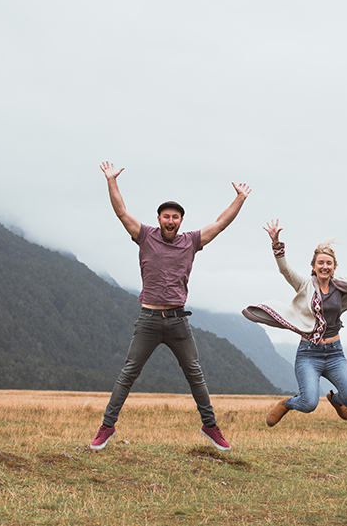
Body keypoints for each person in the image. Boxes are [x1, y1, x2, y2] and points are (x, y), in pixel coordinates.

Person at [90, 161, 250, 452]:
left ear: (180, 221)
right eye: (166, 216)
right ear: (159, 218)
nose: (171, 221)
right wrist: (111, 181)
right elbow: (121, 212)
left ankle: (210, 426)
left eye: (176, 217)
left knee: (194, 373)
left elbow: (220, 223)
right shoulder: (145, 236)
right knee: (128, 373)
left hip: (178, 322)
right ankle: (107, 427)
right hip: (149, 319)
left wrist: (239, 198)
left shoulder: (191, 242)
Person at [243, 219, 347, 427]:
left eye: (328, 263)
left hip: (335, 353)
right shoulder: (304, 285)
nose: (324, 266)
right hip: (309, 354)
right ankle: (286, 404)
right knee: (308, 404)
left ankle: (335, 400)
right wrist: (276, 244)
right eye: (320, 263)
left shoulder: (341, 285)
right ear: (314, 267)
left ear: (334, 267)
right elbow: (285, 270)